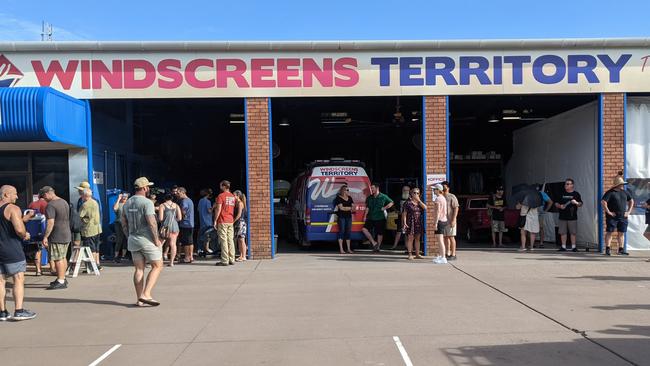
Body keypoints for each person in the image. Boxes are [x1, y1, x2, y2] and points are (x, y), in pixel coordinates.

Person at [120, 177, 163, 307]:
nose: (148, 189)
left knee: (139, 269)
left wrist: (129, 236)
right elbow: (152, 222)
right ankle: (146, 294)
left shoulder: (127, 203)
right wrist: (157, 240)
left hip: (133, 239)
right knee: (157, 265)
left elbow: (123, 222)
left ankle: (139, 299)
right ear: (144, 188)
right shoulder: (147, 203)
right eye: (148, 187)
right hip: (146, 239)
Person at [0, 185, 37, 321]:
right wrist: (25, 235)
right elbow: (19, 229)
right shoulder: (12, 208)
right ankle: (19, 310)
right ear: (5, 195)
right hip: (11, 249)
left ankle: (2, 312)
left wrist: (25, 218)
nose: (16, 196)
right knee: (18, 278)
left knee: (0, 281)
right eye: (14, 194)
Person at [41, 186, 71, 290]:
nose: (44, 200)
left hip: (57, 235)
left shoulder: (51, 205)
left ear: (46, 194)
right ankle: (62, 278)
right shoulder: (64, 202)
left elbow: (50, 222)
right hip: (66, 233)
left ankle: (61, 280)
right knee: (63, 257)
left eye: (44, 198)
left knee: (58, 259)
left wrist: (45, 236)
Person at [601, 176, 634, 256]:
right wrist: (608, 212)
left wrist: (628, 211)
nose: (622, 185)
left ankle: (621, 250)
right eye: (621, 184)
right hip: (612, 217)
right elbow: (603, 202)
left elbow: (631, 201)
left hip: (623, 216)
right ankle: (608, 250)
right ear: (617, 184)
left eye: (623, 184)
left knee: (621, 233)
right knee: (609, 232)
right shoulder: (610, 192)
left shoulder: (625, 192)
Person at [361, 183, 394, 252]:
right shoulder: (369, 197)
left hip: (380, 218)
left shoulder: (383, 196)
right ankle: (374, 242)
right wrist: (364, 216)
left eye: (372, 188)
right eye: (371, 188)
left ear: (377, 188)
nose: (371, 189)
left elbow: (391, 202)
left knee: (380, 233)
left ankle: (377, 247)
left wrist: (385, 208)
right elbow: (367, 208)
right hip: (370, 217)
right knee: (364, 229)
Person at [555, 179, 582, 252]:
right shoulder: (561, 193)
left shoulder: (576, 194)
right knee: (563, 232)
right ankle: (563, 247)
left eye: (567, 184)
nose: (566, 185)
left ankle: (573, 247)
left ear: (572, 185)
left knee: (573, 232)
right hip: (562, 216)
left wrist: (576, 202)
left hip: (572, 217)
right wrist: (560, 206)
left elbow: (580, 204)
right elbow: (556, 203)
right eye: (565, 184)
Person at [28, 191, 52, 275]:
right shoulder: (48, 204)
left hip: (35, 230)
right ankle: (52, 268)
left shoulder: (32, 204)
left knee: (37, 250)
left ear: (38, 196)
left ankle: (38, 270)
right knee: (49, 249)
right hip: (45, 229)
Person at [79, 188, 103, 270]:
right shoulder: (95, 202)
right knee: (96, 247)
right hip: (97, 228)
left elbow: (80, 215)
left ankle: (92, 266)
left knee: (90, 247)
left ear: (85, 196)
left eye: (81, 194)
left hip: (89, 229)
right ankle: (97, 264)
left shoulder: (85, 204)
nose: (81, 196)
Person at [214, 181, 237, 266]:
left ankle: (224, 260)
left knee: (223, 240)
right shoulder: (232, 196)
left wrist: (215, 220)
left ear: (223, 186)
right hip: (230, 220)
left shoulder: (221, 196)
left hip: (223, 220)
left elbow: (218, 209)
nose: (220, 187)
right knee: (230, 240)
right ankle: (232, 259)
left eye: (221, 185)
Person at [402, 187, 426, 260]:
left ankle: (417, 254)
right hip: (410, 222)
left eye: (417, 193)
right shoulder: (407, 203)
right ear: (411, 194)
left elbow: (425, 208)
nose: (416, 194)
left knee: (417, 238)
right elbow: (404, 214)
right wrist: (404, 223)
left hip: (418, 222)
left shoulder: (419, 203)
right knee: (410, 238)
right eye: (414, 193)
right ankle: (410, 254)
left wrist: (419, 200)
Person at [158, 194, 181, 267]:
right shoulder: (176, 205)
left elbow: (160, 218)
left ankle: (160, 261)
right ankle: (171, 262)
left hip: (165, 227)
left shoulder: (162, 205)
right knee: (173, 244)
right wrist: (174, 220)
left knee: (160, 244)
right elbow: (180, 218)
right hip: (174, 226)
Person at [333, 185, 354, 254]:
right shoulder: (338, 198)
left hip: (349, 217)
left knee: (348, 232)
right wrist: (350, 208)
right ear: (344, 191)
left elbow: (354, 207)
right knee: (341, 231)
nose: (348, 191)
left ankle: (348, 249)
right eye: (347, 190)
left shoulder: (350, 198)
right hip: (341, 217)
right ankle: (341, 249)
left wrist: (348, 208)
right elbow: (341, 208)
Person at [177, 187, 195, 263]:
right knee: (190, 241)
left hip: (185, 223)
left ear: (183, 192)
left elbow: (183, 211)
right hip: (191, 223)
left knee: (186, 242)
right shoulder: (190, 200)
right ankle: (191, 257)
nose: (177, 195)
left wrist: (180, 216)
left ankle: (187, 257)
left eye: (178, 193)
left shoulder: (184, 201)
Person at [442, 181, 459, 260]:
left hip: (450, 220)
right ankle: (447, 253)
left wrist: (454, 219)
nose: (443, 188)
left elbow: (456, 208)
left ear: (448, 188)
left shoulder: (452, 196)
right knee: (445, 237)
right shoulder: (441, 197)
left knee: (451, 237)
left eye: (445, 187)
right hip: (443, 220)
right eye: (442, 187)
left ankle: (453, 254)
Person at [431, 184, 448, 264]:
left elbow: (437, 211)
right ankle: (441, 256)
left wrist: (435, 223)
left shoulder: (438, 199)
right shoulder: (443, 198)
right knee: (439, 240)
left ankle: (443, 257)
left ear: (438, 190)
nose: (433, 191)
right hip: (443, 220)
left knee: (440, 240)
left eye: (434, 189)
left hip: (440, 221)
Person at [390, 185, 411, 250]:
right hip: (400, 217)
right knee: (399, 231)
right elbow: (392, 204)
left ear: (409, 191)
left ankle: (407, 246)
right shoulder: (398, 197)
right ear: (402, 190)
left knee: (407, 232)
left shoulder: (411, 198)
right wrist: (396, 211)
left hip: (408, 217)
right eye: (404, 190)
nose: (405, 191)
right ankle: (394, 246)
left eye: (407, 190)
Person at [197, 188, 214, 256]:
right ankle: (206, 249)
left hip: (202, 221)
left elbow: (198, 210)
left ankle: (200, 249)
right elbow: (209, 211)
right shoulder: (208, 202)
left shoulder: (200, 201)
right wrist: (214, 207)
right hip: (208, 221)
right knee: (207, 236)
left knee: (201, 235)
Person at [113, 193, 128, 263]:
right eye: (123, 196)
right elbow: (114, 208)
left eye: (126, 197)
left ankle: (123, 256)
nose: (124, 198)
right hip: (118, 223)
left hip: (127, 224)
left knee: (126, 239)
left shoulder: (128, 204)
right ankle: (116, 256)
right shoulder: (118, 204)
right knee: (119, 239)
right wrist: (118, 199)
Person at [537, 184, 554, 248]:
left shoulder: (542, 193)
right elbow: (551, 202)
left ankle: (540, 243)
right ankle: (532, 243)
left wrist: (545, 210)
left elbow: (550, 202)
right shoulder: (540, 193)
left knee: (540, 228)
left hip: (539, 211)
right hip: (535, 211)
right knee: (533, 228)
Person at [233, 190, 248, 261]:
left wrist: (233, 221)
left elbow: (239, 214)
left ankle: (244, 256)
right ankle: (241, 255)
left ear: (238, 195)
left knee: (242, 239)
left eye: (234, 195)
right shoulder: (237, 203)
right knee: (239, 239)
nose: (233, 197)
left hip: (241, 223)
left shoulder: (240, 203)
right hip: (239, 223)